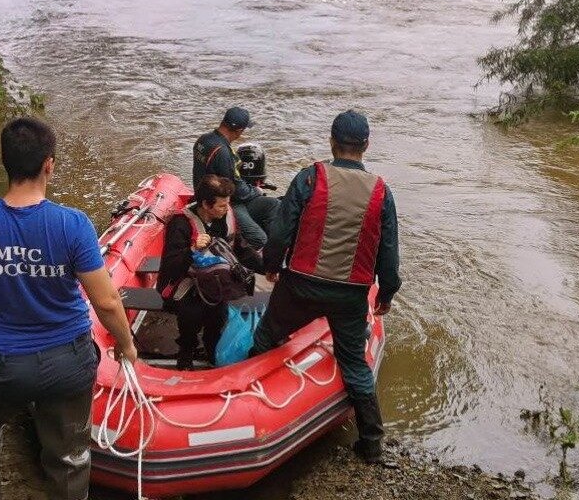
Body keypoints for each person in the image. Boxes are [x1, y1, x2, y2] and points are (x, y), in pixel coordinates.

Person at [0, 117, 138, 500]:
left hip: (3, 362)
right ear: (49, 164)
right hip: (67, 360)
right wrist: (126, 345)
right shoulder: (73, 224)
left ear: (5, 162)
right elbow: (106, 300)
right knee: (69, 453)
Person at [249, 110, 401, 464]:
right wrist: (388, 293)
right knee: (354, 363)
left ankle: (255, 413)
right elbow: (388, 251)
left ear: (332, 141)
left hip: (301, 284)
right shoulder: (382, 192)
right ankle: (372, 445)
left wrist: (272, 266)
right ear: (366, 145)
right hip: (350, 294)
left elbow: (280, 231)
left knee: (266, 337)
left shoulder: (309, 178)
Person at [157, 174, 263, 370]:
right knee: (192, 316)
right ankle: (186, 353)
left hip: (216, 282)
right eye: (221, 206)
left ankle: (212, 349)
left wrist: (267, 267)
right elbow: (171, 266)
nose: (226, 209)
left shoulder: (226, 218)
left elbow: (240, 247)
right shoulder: (180, 224)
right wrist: (192, 250)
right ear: (206, 204)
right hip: (187, 284)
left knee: (218, 318)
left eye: (227, 204)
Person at [192, 107, 280, 249]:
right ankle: (257, 259)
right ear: (239, 131)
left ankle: (276, 246)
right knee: (260, 239)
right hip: (223, 202)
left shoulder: (203, 140)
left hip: (208, 196)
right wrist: (255, 191)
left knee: (273, 204)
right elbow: (237, 190)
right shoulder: (223, 152)